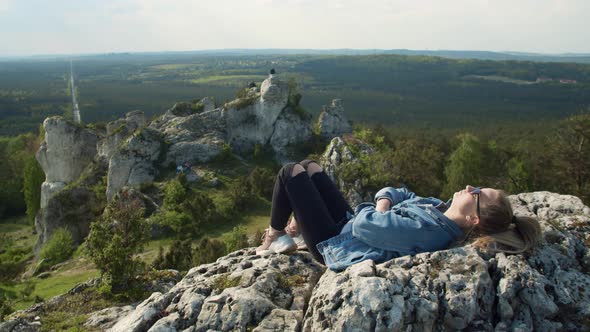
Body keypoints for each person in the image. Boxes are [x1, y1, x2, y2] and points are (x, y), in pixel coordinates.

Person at [256, 160, 542, 271]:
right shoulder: (438, 208)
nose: (470, 187)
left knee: (289, 172)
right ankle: (299, 225)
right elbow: (398, 192)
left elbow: (367, 225)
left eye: (477, 192)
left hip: (334, 244)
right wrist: (384, 207)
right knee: (312, 167)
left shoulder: (428, 230)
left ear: (474, 220)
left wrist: (380, 210)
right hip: (349, 226)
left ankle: (274, 235)